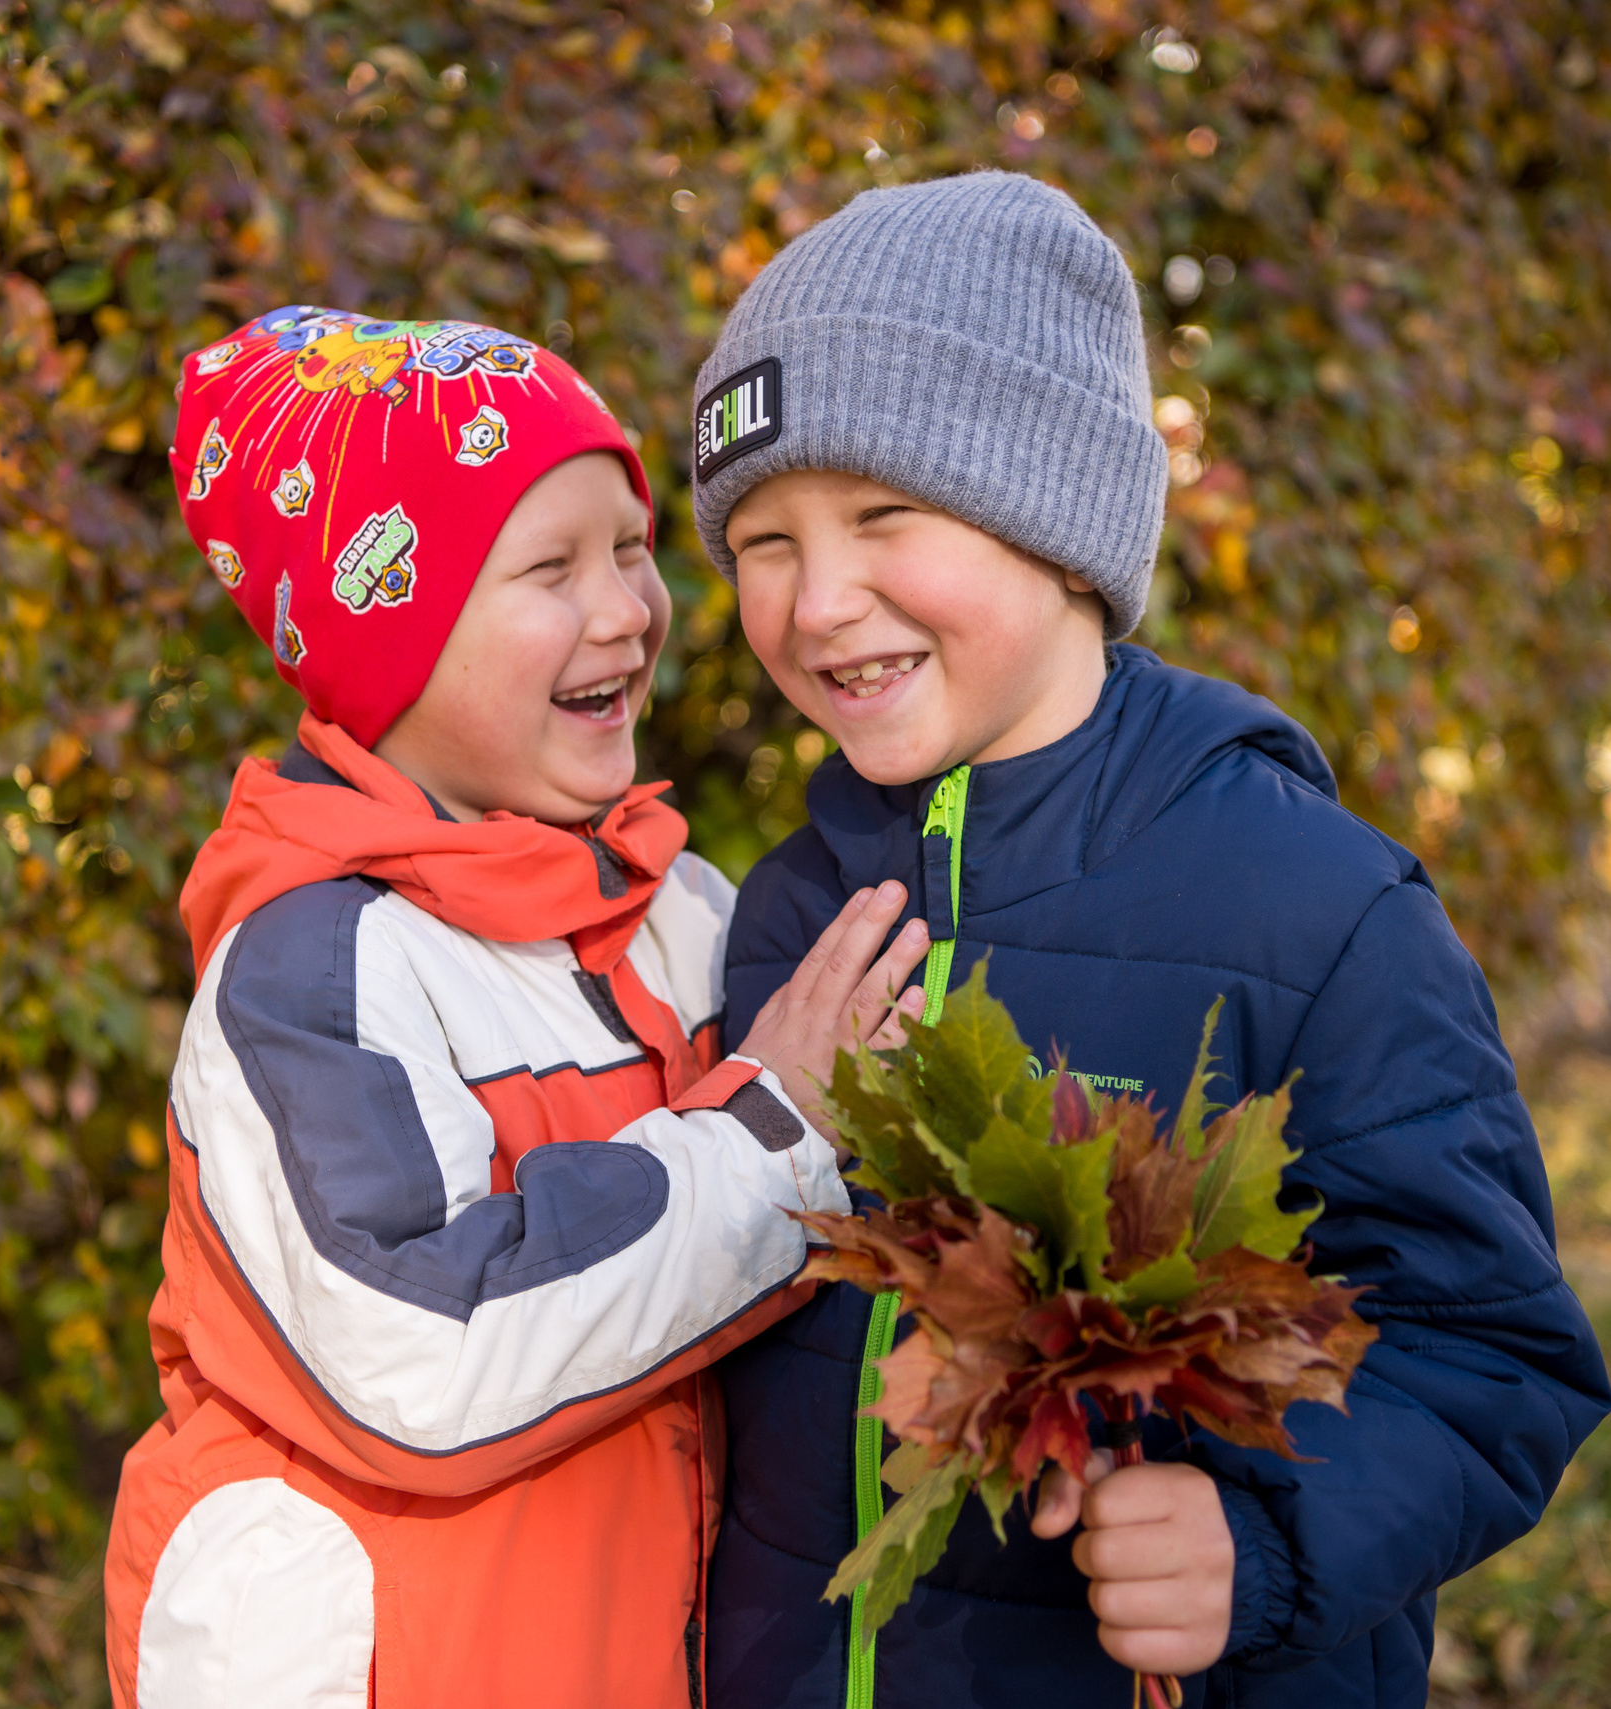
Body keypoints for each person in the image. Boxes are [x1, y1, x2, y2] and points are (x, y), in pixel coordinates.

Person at [690, 172, 1611, 1709]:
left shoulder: (1310, 908)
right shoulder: (786, 914)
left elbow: (1491, 1354)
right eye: (762, 540)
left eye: (881, 515)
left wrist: (1261, 1541)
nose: (816, 599)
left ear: (1057, 524)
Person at [102, 306, 934, 1709]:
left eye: (629, 546)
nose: (627, 608)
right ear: (391, 640)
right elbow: (424, 1354)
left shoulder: (682, 911)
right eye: (549, 567)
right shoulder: (314, 968)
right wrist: (774, 1129)